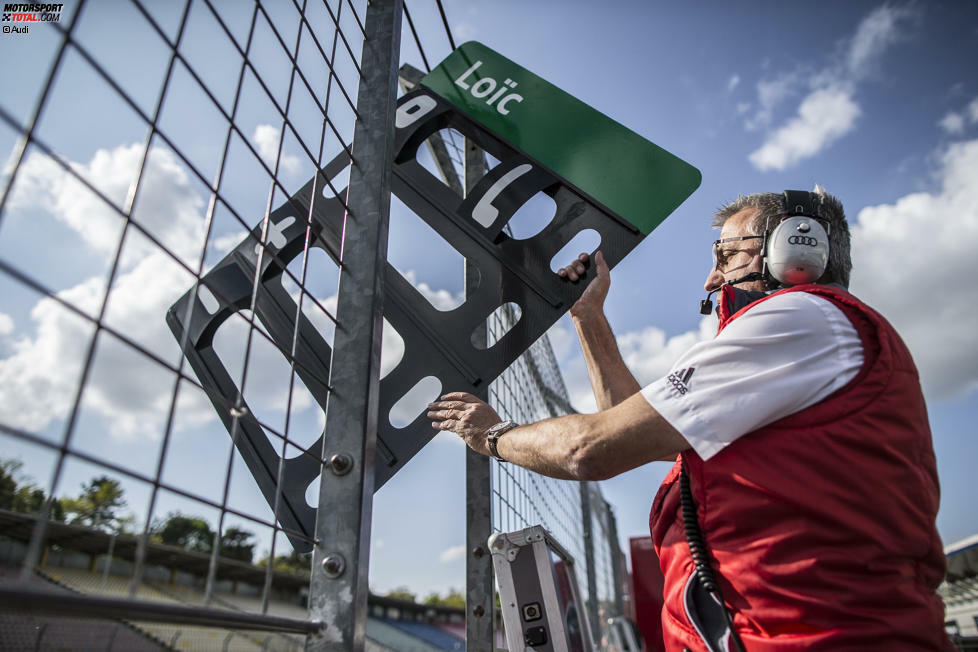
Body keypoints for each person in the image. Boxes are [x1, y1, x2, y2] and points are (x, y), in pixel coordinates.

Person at [428, 187, 951, 651]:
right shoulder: (811, 333)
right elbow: (632, 431)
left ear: (797, 246)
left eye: (726, 253)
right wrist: (589, 318)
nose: (711, 275)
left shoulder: (802, 318)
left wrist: (493, 435)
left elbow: (591, 447)